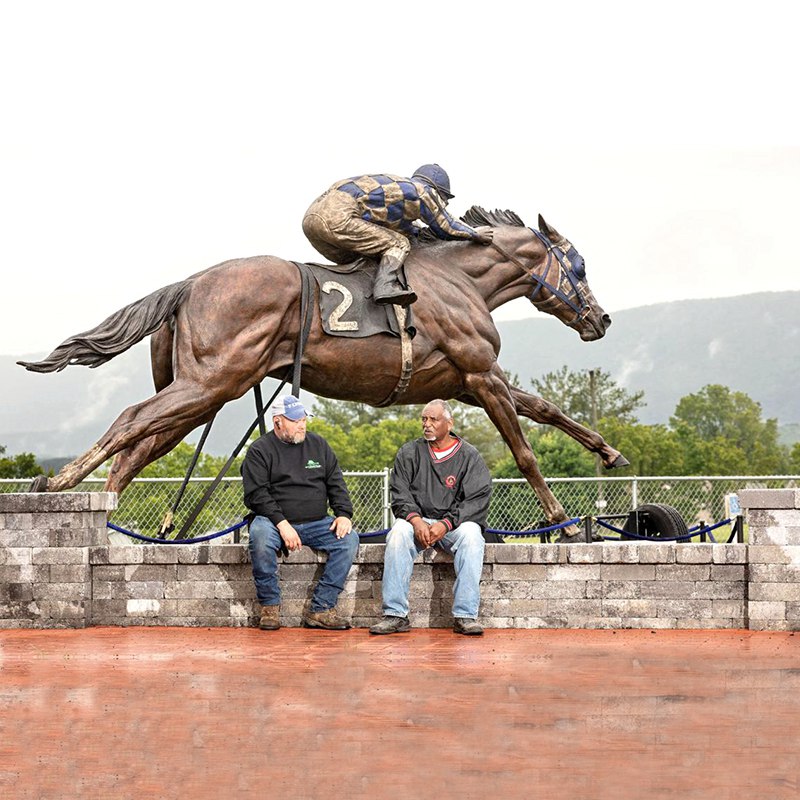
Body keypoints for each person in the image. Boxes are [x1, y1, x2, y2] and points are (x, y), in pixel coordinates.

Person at [369, 399, 493, 636]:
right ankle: (395, 614)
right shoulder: (409, 452)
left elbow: (477, 499)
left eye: (433, 419)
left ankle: (465, 616)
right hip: (418, 521)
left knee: (472, 536)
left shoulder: (469, 456)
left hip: (452, 524)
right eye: (424, 419)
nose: (427, 424)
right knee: (397, 533)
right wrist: (416, 521)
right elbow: (400, 493)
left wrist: (446, 524)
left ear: (449, 423)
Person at [241, 394, 359, 631]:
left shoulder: (319, 445)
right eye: (295, 421)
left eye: (304, 419)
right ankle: (270, 607)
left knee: (349, 540)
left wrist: (344, 514)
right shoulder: (260, 450)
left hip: (317, 522)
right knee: (260, 537)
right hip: (274, 522)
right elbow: (257, 495)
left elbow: (336, 483)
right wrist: (282, 524)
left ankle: (321, 608)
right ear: (277, 422)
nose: (302, 425)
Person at [302, 164, 494, 306]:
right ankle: (385, 287)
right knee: (399, 245)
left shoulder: (398, 191)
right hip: (340, 216)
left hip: (311, 219)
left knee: (363, 263)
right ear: (438, 191)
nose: (444, 204)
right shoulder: (424, 192)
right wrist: (474, 234)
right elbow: (446, 225)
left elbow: (406, 228)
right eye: (444, 199)